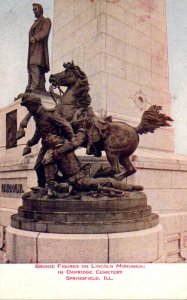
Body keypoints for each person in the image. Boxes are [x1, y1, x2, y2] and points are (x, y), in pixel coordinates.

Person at [42, 134, 143, 196]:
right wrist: (53, 188)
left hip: (84, 172)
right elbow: (49, 177)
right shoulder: (52, 155)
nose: (58, 137)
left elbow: (72, 145)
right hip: (79, 180)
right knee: (109, 181)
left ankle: (117, 182)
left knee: (102, 167)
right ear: (50, 143)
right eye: (54, 137)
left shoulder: (63, 147)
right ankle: (131, 187)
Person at [21, 93, 75, 188]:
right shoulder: (36, 117)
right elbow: (38, 132)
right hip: (45, 146)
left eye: (28, 107)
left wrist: (72, 141)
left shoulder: (50, 114)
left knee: (52, 166)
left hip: (56, 146)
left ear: (34, 105)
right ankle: (41, 188)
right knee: (38, 167)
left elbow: (66, 125)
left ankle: (53, 187)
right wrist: (30, 143)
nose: (28, 110)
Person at [26, 3, 51, 92]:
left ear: (40, 9)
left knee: (34, 64)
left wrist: (35, 38)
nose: (34, 11)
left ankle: (34, 85)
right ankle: (40, 86)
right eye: (33, 10)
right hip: (33, 49)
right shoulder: (35, 23)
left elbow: (44, 31)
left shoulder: (46, 20)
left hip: (40, 49)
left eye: (35, 9)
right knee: (36, 67)